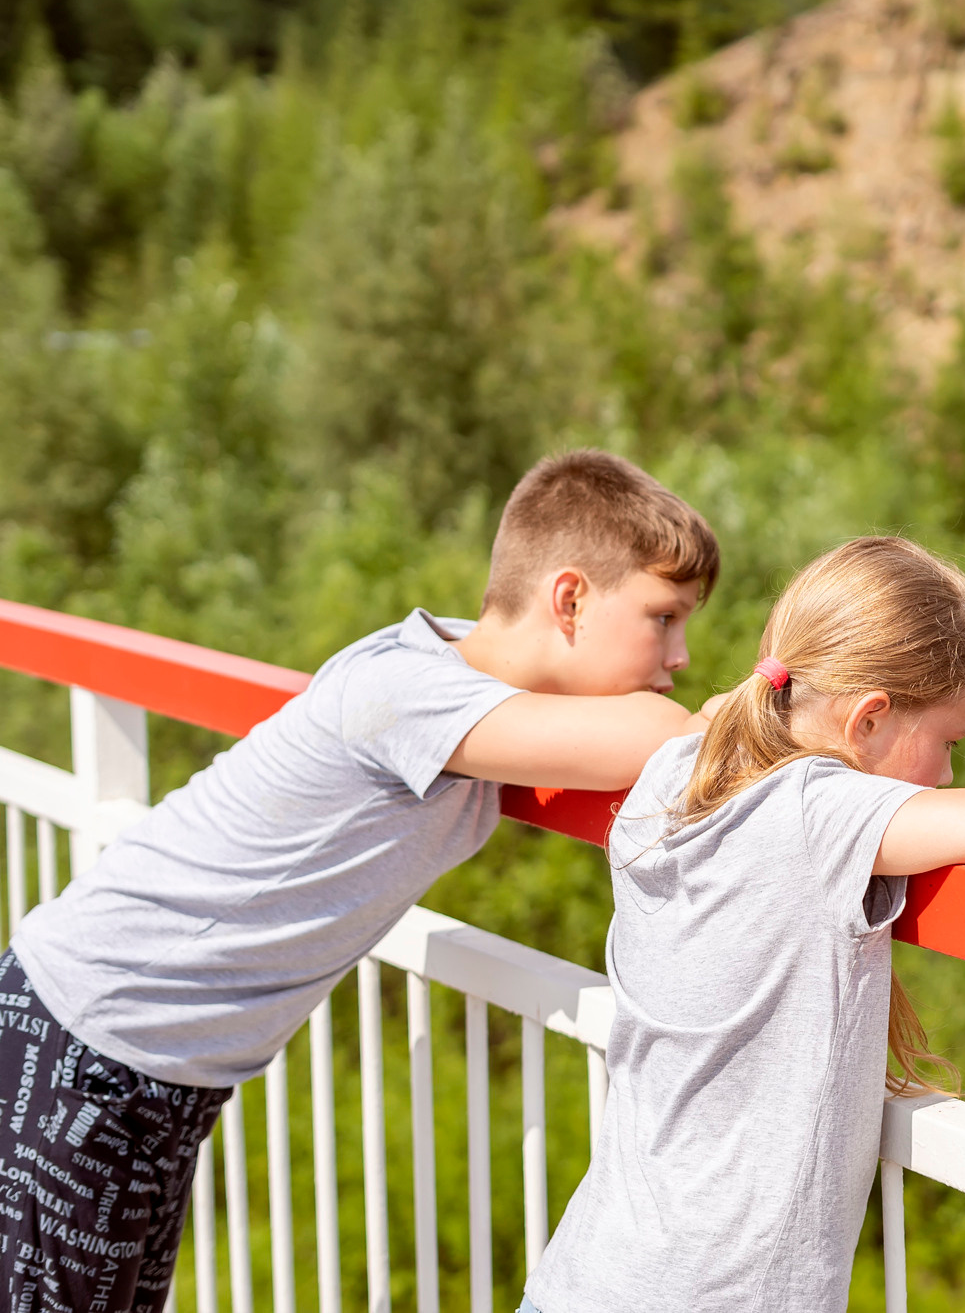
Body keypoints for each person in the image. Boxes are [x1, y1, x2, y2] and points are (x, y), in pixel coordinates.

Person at [0, 450, 721, 1313]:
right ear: (569, 599)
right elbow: (660, 735)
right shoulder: (410, 693)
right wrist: (713, 718)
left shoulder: (450, 673)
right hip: (88, 1048)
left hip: (150, 1067)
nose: (679, 655)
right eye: (664, 617)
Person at [524, 535, 965, 1313]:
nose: (950, 775)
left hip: (587, 1276)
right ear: (869, 720)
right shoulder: (820, 814)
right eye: (949, 742)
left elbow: (730, 708)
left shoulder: (680, 769)